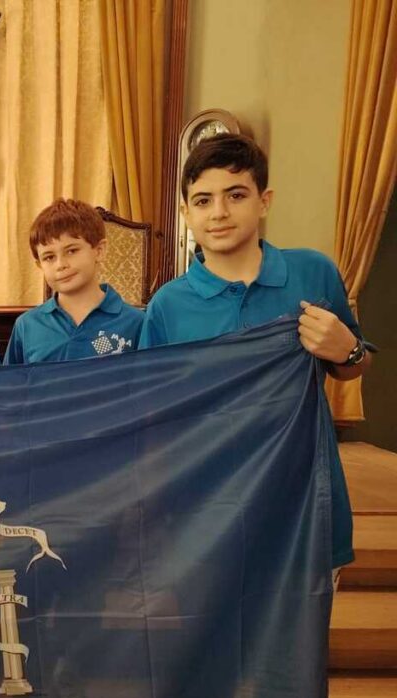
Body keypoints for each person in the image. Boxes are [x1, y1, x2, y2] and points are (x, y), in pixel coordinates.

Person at [140, 133, 372, 573]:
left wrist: (348, 350)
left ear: (264, 200)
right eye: (203, 200)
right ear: (186, 212)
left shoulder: (313, 272)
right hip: (208, 506)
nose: (220, 212)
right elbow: (155, 420)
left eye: (236, 194)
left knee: (302, 637)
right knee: (213, 637)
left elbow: (353, 365)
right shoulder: (168, 306)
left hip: (302, 496)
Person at [5, 199, 144, 364]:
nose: (61, 265)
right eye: (49, 257)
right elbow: (13, 386)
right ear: (39, 265)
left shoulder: (136, 322)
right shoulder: (27, 326)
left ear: (99, 251)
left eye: (71, 251)